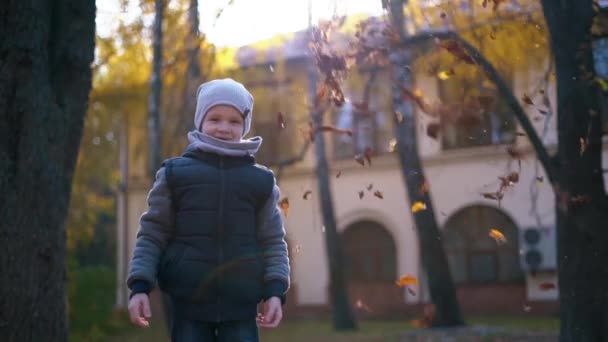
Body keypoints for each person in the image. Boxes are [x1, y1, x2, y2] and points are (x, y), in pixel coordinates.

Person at [126, 78, 290, 341]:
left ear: (244, 127)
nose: (224, 128)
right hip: (187, 303)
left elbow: (272, 240)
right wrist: (140, 286)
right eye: (215, 118)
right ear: (200, 120)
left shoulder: (261, 181)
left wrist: (275, 291)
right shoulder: (174, 174)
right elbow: (152, 233)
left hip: (242, 306)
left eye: (234, 121)